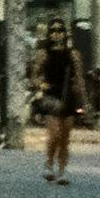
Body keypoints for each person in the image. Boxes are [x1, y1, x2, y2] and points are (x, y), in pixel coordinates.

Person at [35, 29, 86, 182]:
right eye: (53, 30)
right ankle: (49, 163)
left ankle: (62, 170)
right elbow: (34, 76)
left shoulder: (73, 55)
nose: (56, 34)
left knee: (65, 138)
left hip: (68, 96)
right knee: (54, 134)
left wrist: (84, 100)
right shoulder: (44, 55)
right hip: (51, 96)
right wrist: (41, 85)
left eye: (60, 30)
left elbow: (79, 78)